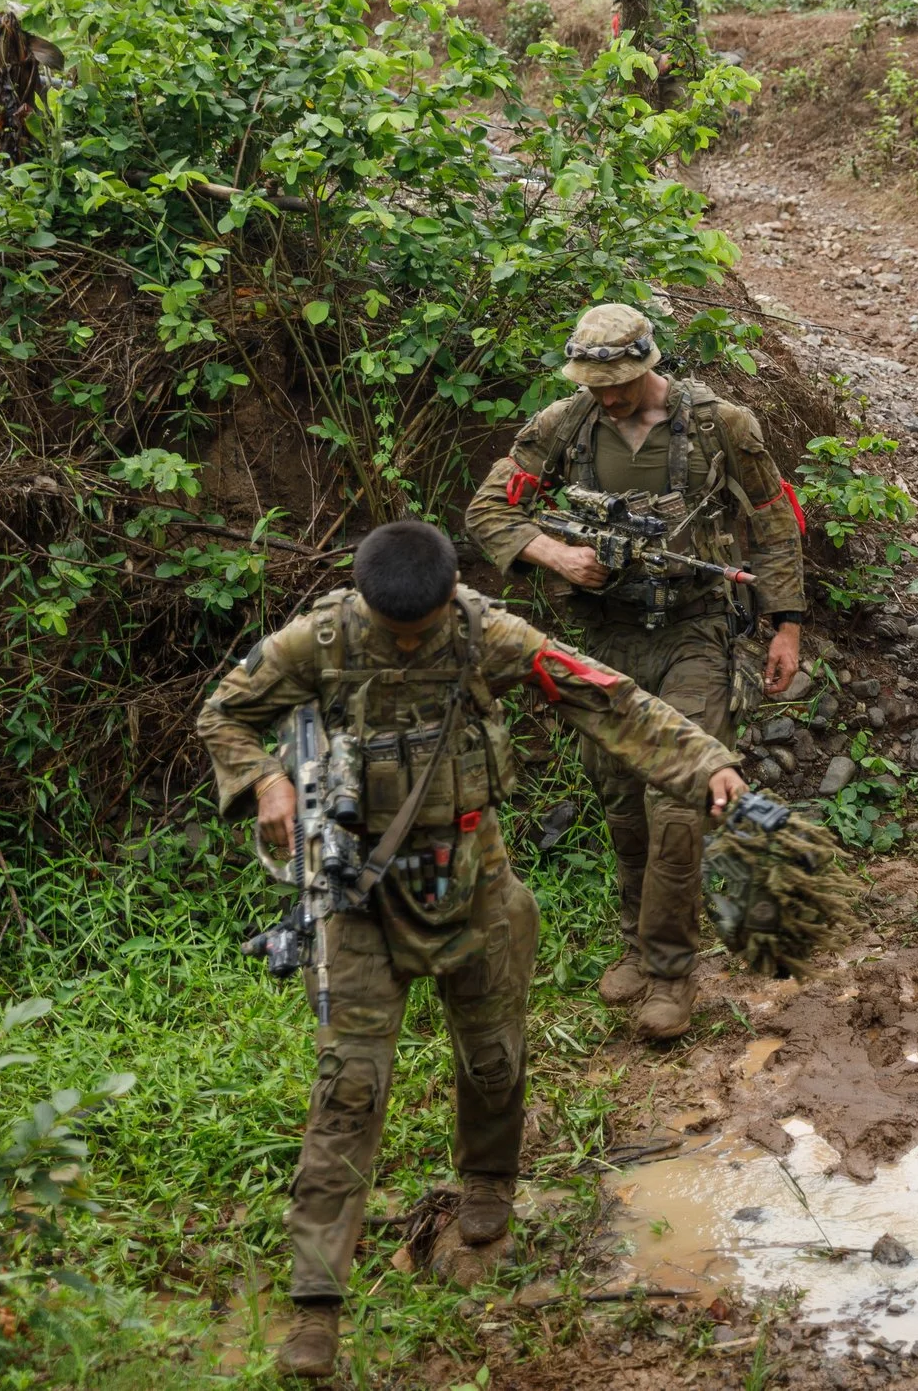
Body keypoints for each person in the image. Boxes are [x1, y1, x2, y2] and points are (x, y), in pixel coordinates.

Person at [194, 520, 748, 1379]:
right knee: (349, 1086)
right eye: (395, 631)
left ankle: (487, 1181)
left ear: (451, 597)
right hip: (360, 902)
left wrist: (705, 761)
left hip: (474, 885)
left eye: (422, 628)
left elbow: (607, 697)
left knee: (492, 1058)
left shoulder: (488, 632)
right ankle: (316, 1303)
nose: (409, 642)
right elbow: (223, 712)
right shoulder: (320, 639)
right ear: (366, 603)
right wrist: (265, 776)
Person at [465, 304, 806, 1041]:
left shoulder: (723, 424)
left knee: (679, 799)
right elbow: (489, 508)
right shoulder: (564, 424)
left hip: (693, 627)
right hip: (602, 637)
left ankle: (671, 972)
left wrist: (788, 625)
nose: (608, 395)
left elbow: (776, 518)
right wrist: (553, 554)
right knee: (620, 795)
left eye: (619, 381)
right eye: (595, 382)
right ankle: (635, 937)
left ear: (650, 361)